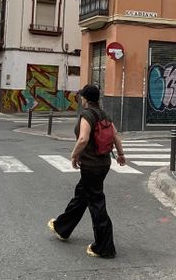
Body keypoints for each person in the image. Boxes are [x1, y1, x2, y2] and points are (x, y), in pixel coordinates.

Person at [48, 84, 126, 259]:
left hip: (91, 165)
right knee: (82, 195)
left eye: (82, 96)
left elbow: (83, 139)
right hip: (103, 163)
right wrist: (120, 155)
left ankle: (104, 247)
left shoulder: (87, 115)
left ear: (85, 98)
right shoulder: (104, 114)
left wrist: (74, 155)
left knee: (96, 203)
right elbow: (115, 136)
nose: (81, 98)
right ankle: (62, 227)